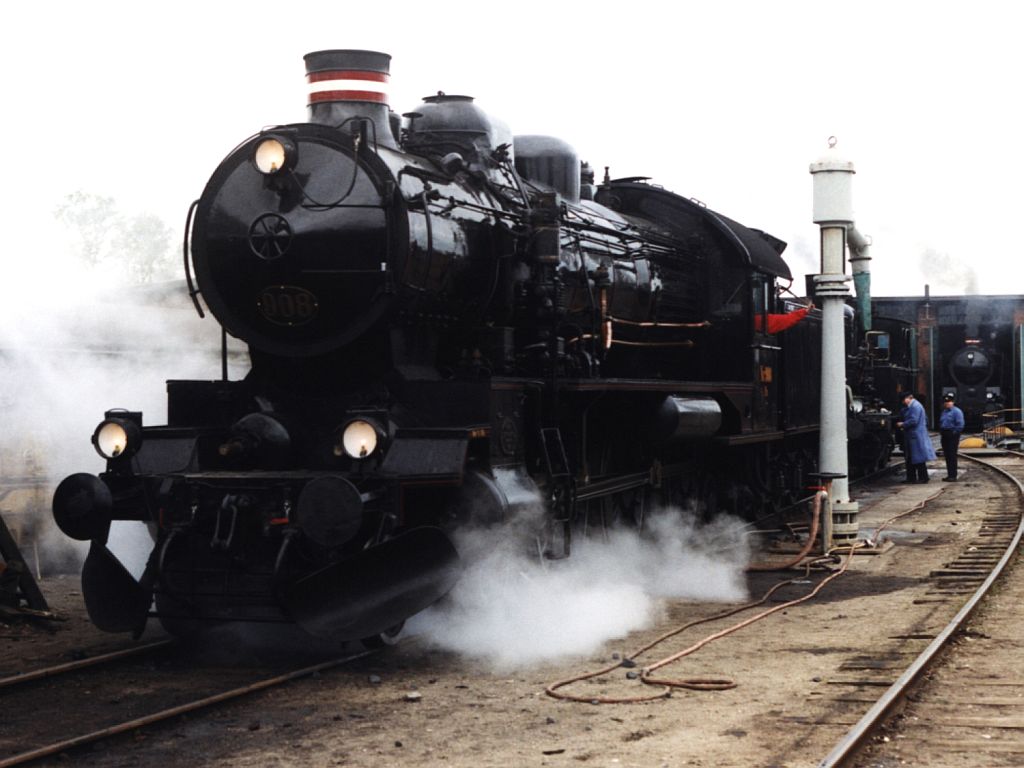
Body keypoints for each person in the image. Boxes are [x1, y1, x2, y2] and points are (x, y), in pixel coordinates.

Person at [896, 392, 936, 483]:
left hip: (915, 436)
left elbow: (914, 420)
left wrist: (903, 424)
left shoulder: (915, 406)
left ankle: (923, 478)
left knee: (917, 458)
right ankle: (912, 478)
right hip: (913, 435)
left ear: (908, 398)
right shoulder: (913, 406)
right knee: (911, 458)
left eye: (903, 400)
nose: (903, 403)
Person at [938, 394, 965, 481]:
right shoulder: (944, 411)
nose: (947, 404)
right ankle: (949, 475)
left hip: (952, 434)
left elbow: (960, 425)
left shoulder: (957, 412)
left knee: (952, 455)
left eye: (949, 402)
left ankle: (953, 475)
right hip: (945, 434)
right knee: (947, 455)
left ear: (953, 402)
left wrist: (954, 433)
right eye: (946, 402)